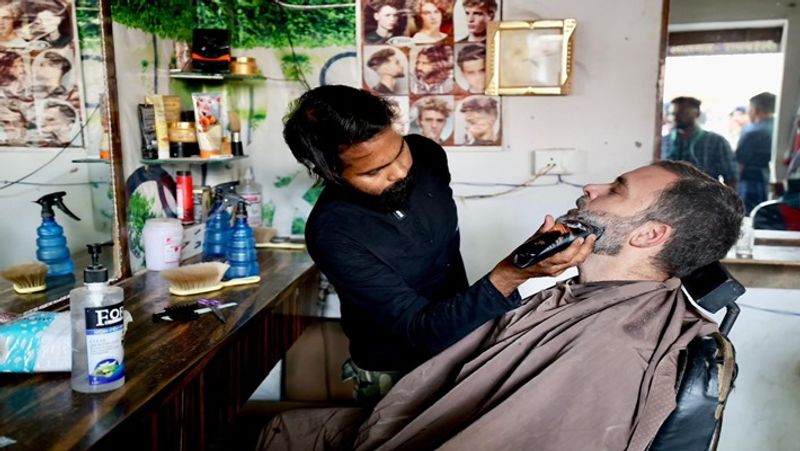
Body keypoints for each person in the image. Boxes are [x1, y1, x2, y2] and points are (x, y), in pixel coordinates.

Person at [260, 161, 745, 451]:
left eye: (616, 189)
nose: (591, 187)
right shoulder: (590, 300)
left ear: (649, 235)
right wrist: (514, 273)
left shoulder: (614, 345)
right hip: (420, 415)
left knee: (280, 432)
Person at [282, 85, 595, 404]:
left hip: (465, 337)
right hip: (395, 370)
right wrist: (512, 273)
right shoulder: (334, 233)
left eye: (398, 151)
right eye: (375, 171)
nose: (400, 172)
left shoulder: (426, 156)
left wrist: (523, 263)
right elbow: (419, 331)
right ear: (331, 174)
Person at [661, 96, 737, 189]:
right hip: (670, 199)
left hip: (705, 199)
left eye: (682, 113)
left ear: (697, 114)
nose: (676, 117)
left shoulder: (716, 142)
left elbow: (731, 179)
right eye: (673, 113)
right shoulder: (664, 141)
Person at [736, 92, 776, 213]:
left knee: (748, 216)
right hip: (769, 181)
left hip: (751, 184)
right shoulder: (778, 128)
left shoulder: (751, 132)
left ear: (755, 110)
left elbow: (739, 164)